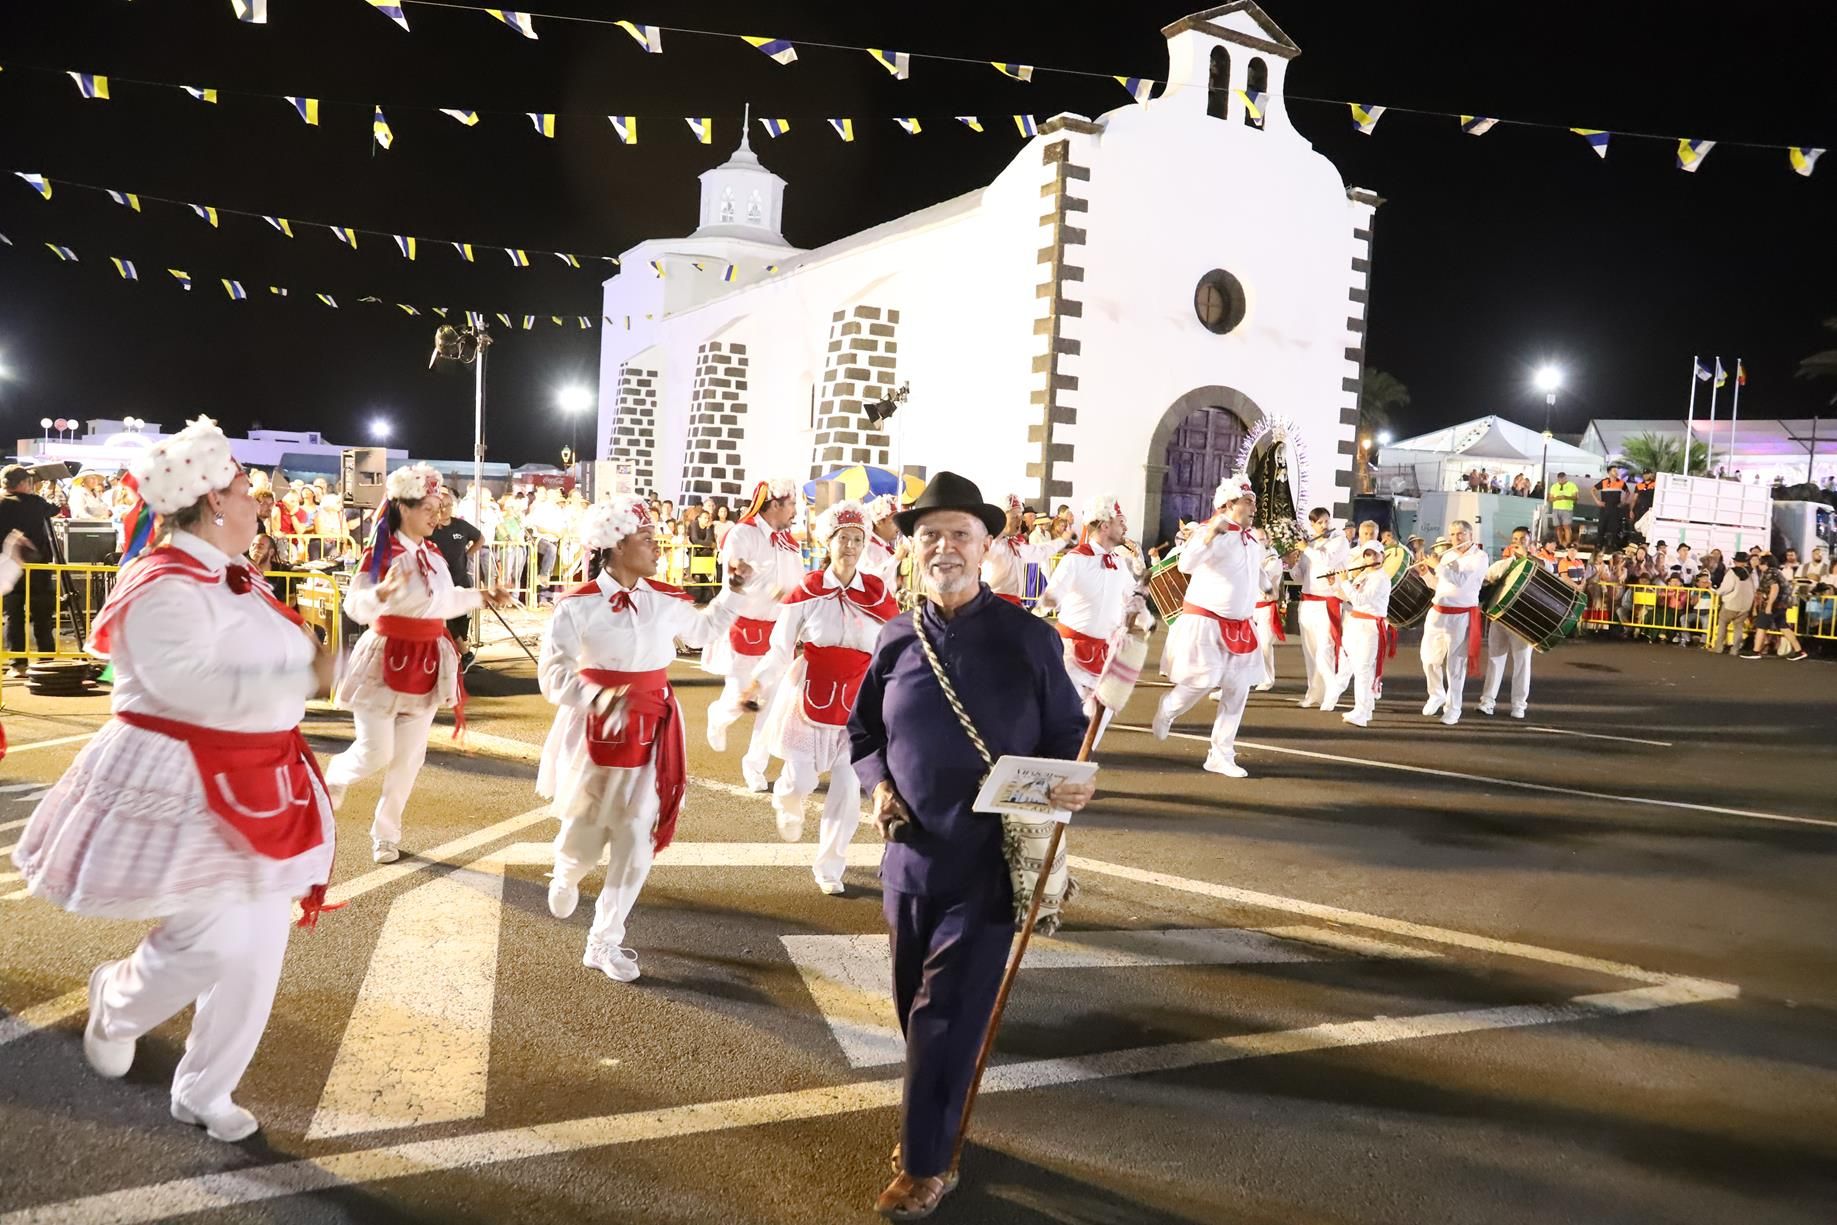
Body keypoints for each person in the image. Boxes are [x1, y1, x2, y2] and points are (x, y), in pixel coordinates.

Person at [10, 418, 338, 1144]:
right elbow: (187, 683)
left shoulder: (235, 576)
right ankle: (118, 1000)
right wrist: (303, 671)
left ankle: (204, 1088)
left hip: (259, 775)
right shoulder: (161, 581)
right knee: (215, 937)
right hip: (190, 777)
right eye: (249, 489)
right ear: (214, 500)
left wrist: (310, 667)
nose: (260, 502)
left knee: (257, 947)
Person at [847, 471, 1092, 1219]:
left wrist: (1075, 782)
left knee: (941, 1014)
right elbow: (863, 732)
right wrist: (876, 783)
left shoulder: (1028, 637)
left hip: (989, 866)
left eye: (959, 534)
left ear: (988, 545)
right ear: (912, 549)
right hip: (908, 858)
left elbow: (1066, 737)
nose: (944, 547)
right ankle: (940, 1118)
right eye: (930, 536)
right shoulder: (894, 636)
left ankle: (926, 1163)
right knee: (908, 1006)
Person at [536, 497, 742, 982]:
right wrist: (600, 698)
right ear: (616, 544)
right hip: (595, 729)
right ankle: (566, 870)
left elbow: (704, 629)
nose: (656, 546)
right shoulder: (579, 604)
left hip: (654, 729)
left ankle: (604, 939)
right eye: (646, 538)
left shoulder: (664, 599)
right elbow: (552, 676)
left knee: (636, 834)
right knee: (585, 828)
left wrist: (733, 592)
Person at [324, 464, 511, 862]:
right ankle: (337, 774)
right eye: (428, 507)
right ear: (403, 508)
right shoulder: (383, 553)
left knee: (410, 756)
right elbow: (355, 606)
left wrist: (483, 596)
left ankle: (386, 832)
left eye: (438, 507)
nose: (436, 515)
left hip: (427, 659)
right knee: (376, 751)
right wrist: (379, 594)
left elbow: (445, 602)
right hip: (384, 657)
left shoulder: (433, 553)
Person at [754, 501, 899, 894]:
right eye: (843, 539)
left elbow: (895, 645)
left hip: (858, 701)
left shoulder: (877, 592)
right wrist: (759, 681)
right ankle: (787, 799)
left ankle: (830, 866)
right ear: (828, 542)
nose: (850, 546)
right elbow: (781, 646)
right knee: (799, 778)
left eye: (857, 539)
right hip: (811, 692)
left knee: (848, 789)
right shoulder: (808, 591)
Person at [1152, 477, 1271, 775]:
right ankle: (1169, 709)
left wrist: (1268, 585)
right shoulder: (1208, 531)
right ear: (1229, 505)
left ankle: (1220, 754)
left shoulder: (1251, 538)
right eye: (1248, 501)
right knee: (1200, 681)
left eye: (1254, 500)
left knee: (1238, 689)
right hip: (1207, 622)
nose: (1254, 506)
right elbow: (1185, 565)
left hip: (1241, 625)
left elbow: (1253, 570)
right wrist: (1209, 535)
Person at [704, 477, 807, 791]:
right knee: (740, 696)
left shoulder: (789, 542)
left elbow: (799, 585)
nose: (795, 512)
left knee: (772, 704)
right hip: (745, 627)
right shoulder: (742, 534)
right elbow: (736, 575)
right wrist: (773, 590)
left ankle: (755, 766)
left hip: (779, 632)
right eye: (792, 505)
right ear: (775, 504)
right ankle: (718, 716)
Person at [1038, 493, 1145, 746]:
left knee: (1102, 711)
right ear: (1105, 525)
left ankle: (1079, 764)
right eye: (1121, 522)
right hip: (1070, 654)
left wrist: (1144, 618)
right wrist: (1046, 602)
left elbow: (1131, 598)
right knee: (1062, 715)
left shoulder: (1119, 563)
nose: (1126, 528)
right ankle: (1051, 762)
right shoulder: (1075, 560)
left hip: (1104, 652)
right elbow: (1051, 597)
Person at [1417, 518, 1488, 726]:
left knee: (1455, 665)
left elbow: (1459, 581)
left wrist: (1437, 565)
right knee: (1428, 658)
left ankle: (1453, 708)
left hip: (1461, 615)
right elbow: (1440, 584)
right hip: (1438, 611)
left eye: (1460, 534)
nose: (1456, 538)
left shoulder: (1480, 557)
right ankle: (1436, 693)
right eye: (1453, 534)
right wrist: (1426, 575)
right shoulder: (1447, 555)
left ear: (1470, 535)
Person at [1320, 541, 1394, 726]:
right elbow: (1347, 597)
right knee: (1351, 665)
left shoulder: (1381, 578)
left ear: (1382, 556)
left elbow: (1359, 599)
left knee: (1362, 669)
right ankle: (1365, 709)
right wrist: (1335, 584)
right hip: (1355, 623)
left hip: (1369, 626)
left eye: (1376, 555)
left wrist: (1345, 582)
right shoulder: (1363, 575)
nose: (1372, 558)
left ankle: (1361, 712)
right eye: (1368, 555)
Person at [0, 464, 58, 673]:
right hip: (37, 567)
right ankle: (47, 661)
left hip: (9, 568)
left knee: (13, 615)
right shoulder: (36, 502)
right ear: (24, 483)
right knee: (42, 614)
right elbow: (55, 509)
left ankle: (18, 663)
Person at [1478, 527, 1538, 719]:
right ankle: (1487, 701)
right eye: (1515, 538)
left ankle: (1519, 705)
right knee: (1495, 660)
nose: (1518, 541)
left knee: (1522, 663)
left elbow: (1547, 570)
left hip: (1522, 621)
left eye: (1522, 539)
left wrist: (1526, 557)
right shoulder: (1502, 564)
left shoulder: (1537, 563)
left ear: (1529, 542)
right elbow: (1485, 580)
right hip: (1500, 619)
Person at [1292, 507, 1349, 708]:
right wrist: (1293, 565)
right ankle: (1314, 693)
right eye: (1320, 523)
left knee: (1325, 650)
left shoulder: (1339, 541)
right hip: (1307, 602)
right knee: (1310, 651)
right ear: (1312, 525)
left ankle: (1331, 691)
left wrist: (1306, 548)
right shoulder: (1310, 545)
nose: (1325, 525)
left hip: (1327, 602)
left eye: (1327, 521)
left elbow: (1326, 562)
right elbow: (1301, 577)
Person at [429, 487, 484, 665]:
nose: (445, 509)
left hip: (461, 578)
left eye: (448, 505)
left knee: (462, 618)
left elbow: (480, 538)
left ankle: (460, 654)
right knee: (447, 617)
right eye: (441, 505)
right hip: (440, 583)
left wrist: (468, 555)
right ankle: (464, 652)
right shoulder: (430, 528)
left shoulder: (461, 525)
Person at [979, 494, 1052, 606]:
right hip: (994, 604)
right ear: (1001, 517)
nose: (1019, 521)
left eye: (1020, 517)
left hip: (1014, 603)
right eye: (1014, 517)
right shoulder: (990, 542)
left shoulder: (1016, 542)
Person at [1741, 554, 1807, 660]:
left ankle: (1756, 651)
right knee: (1783, 626)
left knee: (1761, 626)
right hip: (1782, 604)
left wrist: (1769, 605)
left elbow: (1774, 588)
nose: (1758, 563)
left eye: (1761, 561)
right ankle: (1799, 650)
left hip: (1774, 604)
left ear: (1765, 563)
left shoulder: (1769, 573)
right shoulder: (1776, 572)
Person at [859, 494, 905, 586]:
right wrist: (896, 558)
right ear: (879, 522)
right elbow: (872, 580)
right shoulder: (868, 547)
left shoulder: (884, 546)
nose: (897, 527)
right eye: (893, 522)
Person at [1592, 467, 1628, 552]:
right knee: (1601, 527)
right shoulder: (1604, 482)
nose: (1616, 472)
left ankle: (1614, 546)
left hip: (1615, 509)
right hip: (1604, 508)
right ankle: (1599, 546)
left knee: (1615, 528)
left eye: (1617, 470)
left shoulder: (1621, 482)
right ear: (1609, 472)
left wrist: (1623, 502)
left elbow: (1628, 492)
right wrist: (1597, 501)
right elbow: (1592, 490)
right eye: (1614, 470)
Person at [1547, 472, 1579, 549]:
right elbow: (1550, 499)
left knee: (1566, 527)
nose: (1561, 480)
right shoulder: (1554, 486)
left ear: (1566, 478)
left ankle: (1568, 544)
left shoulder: (1572, 485)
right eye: (1559, 479)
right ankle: (1560, 544)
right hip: (1556, 509)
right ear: (1557, 479)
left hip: (1567, 509)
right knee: (1558, 527)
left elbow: (1576, 498)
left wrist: (1566, 497)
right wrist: (1557, 498)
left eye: (1563, 479)